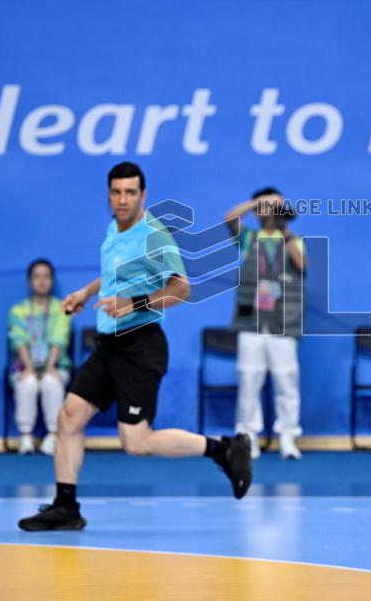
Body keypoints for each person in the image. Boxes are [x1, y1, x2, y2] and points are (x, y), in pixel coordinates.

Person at [18, 161, 253, 532]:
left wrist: (135, 303)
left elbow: (182, 289)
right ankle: (66, 507)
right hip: (109, 345)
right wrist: (86, 293)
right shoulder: (115, 227)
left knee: (137, 441)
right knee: (70, 417)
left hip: (141, 346)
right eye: (116, 192)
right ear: (109, 195)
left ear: (143, 195)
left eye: (130, 192)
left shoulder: (154, 235)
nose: (123, 199)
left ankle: (223, 449)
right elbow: (116, 272)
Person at [224, 188, 306, 460]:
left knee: (287, 381)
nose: (272, 210)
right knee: (249, 380)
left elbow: (302, 265)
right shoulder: (248, 238)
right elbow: (230, 218)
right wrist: (256, 203)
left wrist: (286, 232)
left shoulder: (294, 240)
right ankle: (248, 438)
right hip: (251, 322)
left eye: (277, 206)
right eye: (268, 206)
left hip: (283, 321)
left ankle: (288, 438)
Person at [8, 259, 71, 456]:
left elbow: (59, 339)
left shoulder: (62, 308)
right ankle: (25, 436)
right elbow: (19, 341)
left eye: (46, 276)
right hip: (24, 366)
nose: (42, 281)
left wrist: (50, 366)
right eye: (37, 276)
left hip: (56, 366)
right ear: (30, 281)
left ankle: (53, 436)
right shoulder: (18, 310)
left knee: (51, 382)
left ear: (52, 280)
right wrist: (29, 368)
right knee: (27, 383)